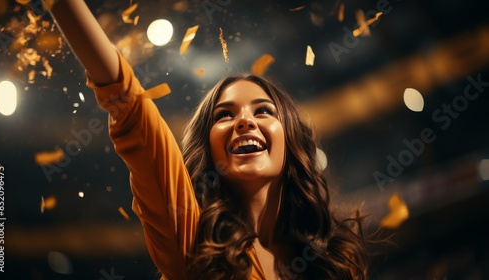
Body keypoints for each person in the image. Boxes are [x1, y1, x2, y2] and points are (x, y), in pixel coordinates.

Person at [46, 0, 371, 279]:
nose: (244, 121)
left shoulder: (335, 259)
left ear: (290, 142)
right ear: (209, 148)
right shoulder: (191, 238)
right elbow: (130, 105)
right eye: (224, 115)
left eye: (263, 111)